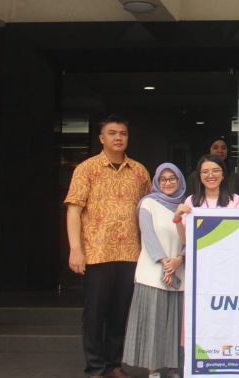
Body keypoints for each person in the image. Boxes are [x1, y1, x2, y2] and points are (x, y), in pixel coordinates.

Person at [64, 115, 151, 378]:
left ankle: (113, 364)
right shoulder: (86, 169)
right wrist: (75, 249)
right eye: (112, 133)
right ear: (102, 138)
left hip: (129, 254)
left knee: (119, 313)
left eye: (122, 133)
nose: (118, 138)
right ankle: (95, 367)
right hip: (96, 253)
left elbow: (149, 210)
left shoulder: (139, 171)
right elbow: (74, 211)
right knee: (94, 315)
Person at [122, 163, 186, 378]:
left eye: (172, 179)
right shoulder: (148, 203)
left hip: (180, 271)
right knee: (154, 325)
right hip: (152, 272)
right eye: (163, 179)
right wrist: (165, 263)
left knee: (175, 327)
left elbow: (192, 237)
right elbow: (148, 238)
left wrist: (178, 261)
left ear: (180, 180)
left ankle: (174, 368)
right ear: (157, 182)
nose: (168, 183)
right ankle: (154, 369)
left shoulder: (187, 205)